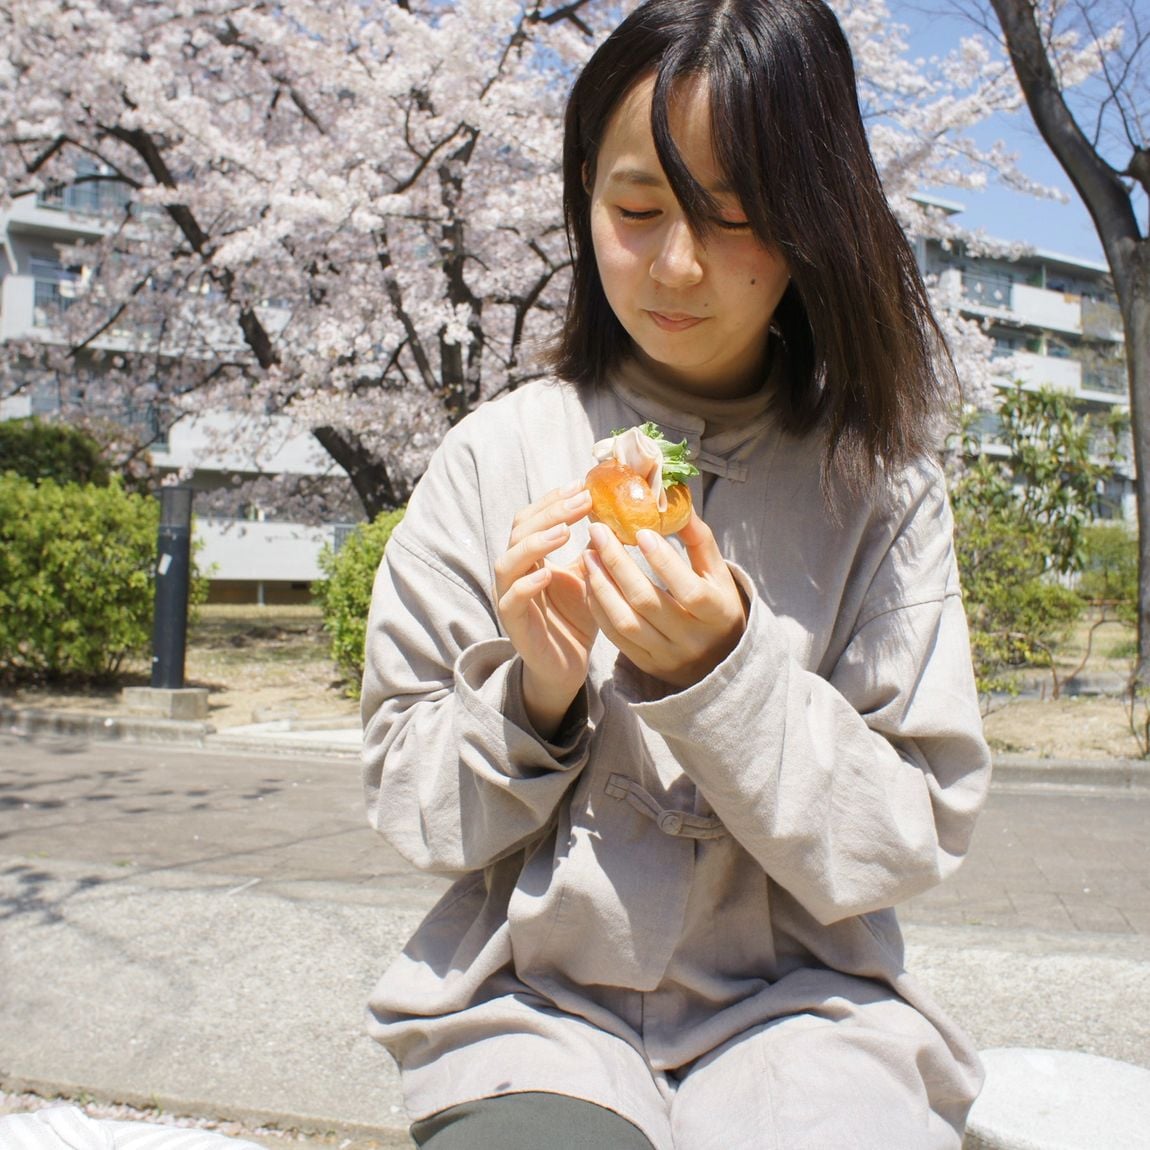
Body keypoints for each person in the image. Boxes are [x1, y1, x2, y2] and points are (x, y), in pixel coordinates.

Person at [359, 0, 992, 1146]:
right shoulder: (498, 455)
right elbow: (412, 806)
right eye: (638, 208)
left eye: (737, 216)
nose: (677, 264)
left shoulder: (882, 494)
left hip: (808, 1017)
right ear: (584, 196)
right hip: (530, 1007)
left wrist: (722, 672)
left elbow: (911, 830)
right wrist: (531, 695)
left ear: (817, 222)